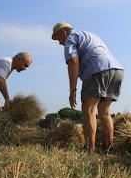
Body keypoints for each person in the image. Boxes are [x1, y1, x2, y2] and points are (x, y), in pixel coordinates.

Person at [52, 22, 124, 153]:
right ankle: (109, 149)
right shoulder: (89, 35)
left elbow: (73, 62)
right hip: (116, 70)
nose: (60, 43)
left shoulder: (70, 38)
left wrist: (72, 90)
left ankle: (90, 150)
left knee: (89, 110)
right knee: (105, 112)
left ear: (64, 33)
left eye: (58, 38)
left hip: (97, 70)